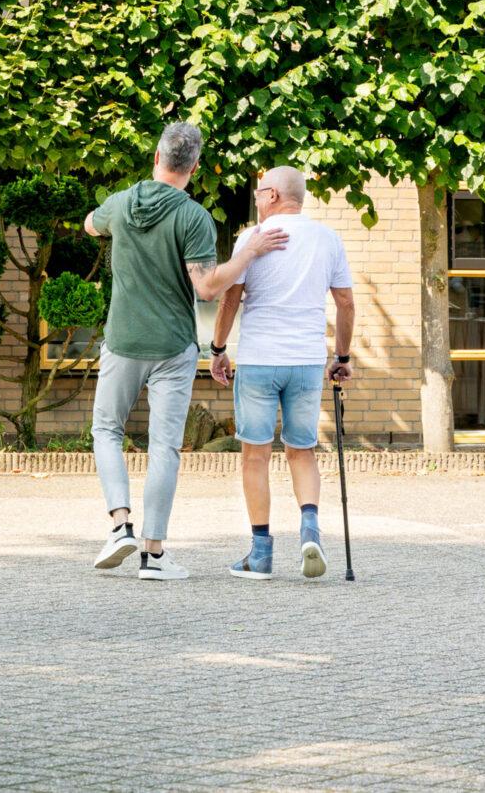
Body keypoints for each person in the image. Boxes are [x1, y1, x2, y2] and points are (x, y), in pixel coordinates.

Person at [83, 122, 288, 581]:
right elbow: (209, 288)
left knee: (106, 429)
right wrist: (248, 252)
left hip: (122, 340)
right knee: (164, 448)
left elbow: (90, 225)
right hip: (173, 346)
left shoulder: (121, 202)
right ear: (194, 168)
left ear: (157, 157)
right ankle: (153, 555)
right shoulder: (193, 217)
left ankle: (120, 526)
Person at [209, 165, 354, 580]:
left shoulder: (251, 240)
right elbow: (345, 303)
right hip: (307, 360)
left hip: (258, 359)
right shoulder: (328, 239)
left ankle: (261, 553)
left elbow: (229, 301)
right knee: (301, 451)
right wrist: (341, 357)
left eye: (257, 193)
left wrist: (218, 349)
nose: (254, 200)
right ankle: (310, 530)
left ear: (272, 195)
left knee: (255, 455)